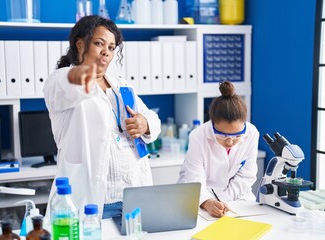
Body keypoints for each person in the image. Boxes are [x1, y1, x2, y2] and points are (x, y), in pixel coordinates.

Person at [43, 15, 161, 219]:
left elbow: (152, 117)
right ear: (80, 45)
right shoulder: (60, 80)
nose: (106, 52)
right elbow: (75, 85)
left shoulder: (121, 85)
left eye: (112, 47)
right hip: (95, 201)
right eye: (99, 44)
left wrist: (145, 123)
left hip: (134, 195)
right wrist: (89, 66)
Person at [178, 81, 259, 218]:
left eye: (237, 136)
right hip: (201, 197)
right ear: (213, 124)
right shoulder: (198, 136)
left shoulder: (252, 133)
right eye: (222, 135)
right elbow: (194, 177)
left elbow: (246, 176)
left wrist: (222, 200)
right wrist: (207, 202)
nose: (230, 141)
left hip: (237, 198)